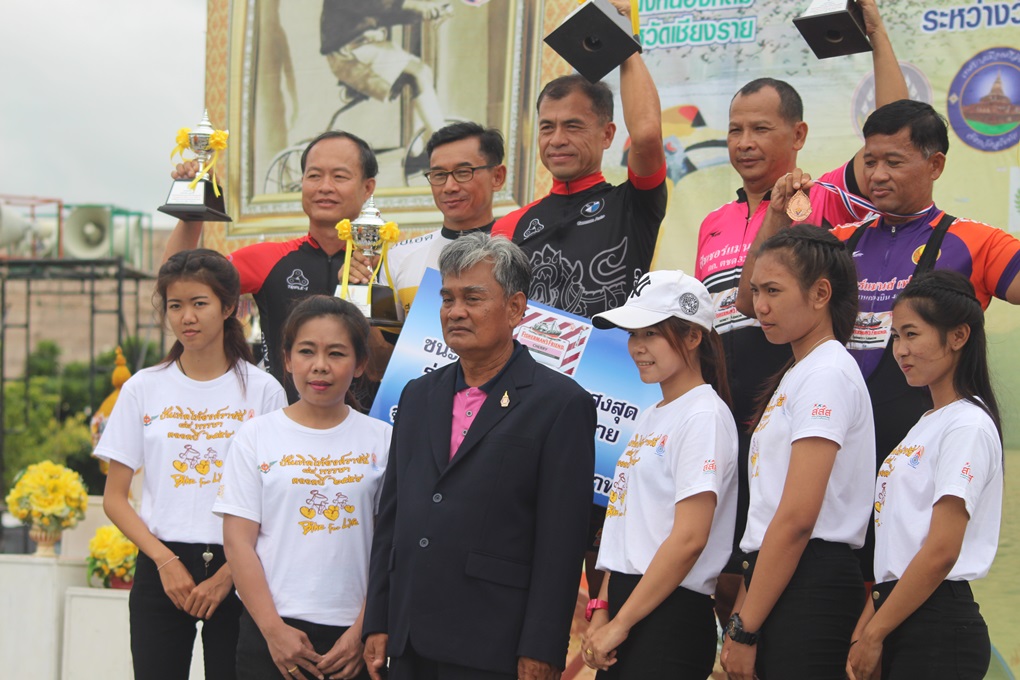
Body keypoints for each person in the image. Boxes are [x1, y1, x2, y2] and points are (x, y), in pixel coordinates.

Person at [735, 98, 1020, 579]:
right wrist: (778, 216)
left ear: (935, 165)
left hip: (915, 459)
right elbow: (750, 300)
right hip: (836, 455)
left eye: (894, 161)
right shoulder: (842, 239)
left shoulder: (976, 241)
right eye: (869, 161)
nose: (877, 175)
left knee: (897, 597)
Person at [697, 0, 907, 616]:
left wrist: (876, 34)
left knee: (785, 559)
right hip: (726, 411)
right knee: (723, 568)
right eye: (735, 129)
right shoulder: (712, 220)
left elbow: (893, 127)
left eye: (761, 129)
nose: (744, 142)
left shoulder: (824, 196)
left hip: (792, 408)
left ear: (798, 136)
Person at [362, 233, 596, 680]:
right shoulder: (418, 395)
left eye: (472, 298)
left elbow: (561, 542)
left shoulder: (560, 404)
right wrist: (379, 618)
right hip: (409, 637)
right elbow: (392, 516)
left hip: (494, 643)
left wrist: (543, 647)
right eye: (447, 298)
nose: (455, 311)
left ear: (515, 308)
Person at [95, 249, 287, 680]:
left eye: (199, 303)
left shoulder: (264, 391)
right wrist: (164, 563)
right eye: (175, 306)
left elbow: (275, 500)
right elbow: (114, 498)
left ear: (229, 307)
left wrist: (229, 576)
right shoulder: (143, 388)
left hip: (241, 569)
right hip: (161, 566)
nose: (187, 317)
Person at [721, 225, 875, 680]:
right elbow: (771, 520)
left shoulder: (826, 373)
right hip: (780, 578)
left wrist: (744, 629)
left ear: (821, 293)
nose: (760, 306)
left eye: (773, 290)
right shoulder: (802, 370)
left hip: (811, 583)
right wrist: (743, 619)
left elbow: (797, 518)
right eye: (755, 291)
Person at [216, 295, 392, 680]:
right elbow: (238, 542)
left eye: (336, 353)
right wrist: (273, 631)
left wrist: (363, 630)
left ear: (360, 364)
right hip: (271, 634)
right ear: (287, 358)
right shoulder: (255, 436)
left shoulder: (383, 439)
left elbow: (392, 544)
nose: (320, 366)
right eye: (307, 351)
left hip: (355, 639)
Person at [582, 270, 738, 679]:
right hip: (630, 608)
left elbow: (689, 539)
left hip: (669, 617)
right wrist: (603, 609)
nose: (637, 346)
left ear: (693, 336)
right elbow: (626, 529)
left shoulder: (704, 415)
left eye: (651, 333)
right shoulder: (653, 414)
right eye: (633, 334)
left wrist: (620, 622)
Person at [847, 270, 1002, 680]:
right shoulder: (927, 423)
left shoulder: (967, 424)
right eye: (895, 336)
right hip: (900, 614)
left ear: (958, 336)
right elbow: (897, 553)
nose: (900, 350)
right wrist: (865, 632)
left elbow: (941, 551)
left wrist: (875, 633)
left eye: (912, 334)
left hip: (938, 624)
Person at [166, 130, 378, 401]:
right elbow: (176, 281)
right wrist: (195, 207)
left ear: (367, 188)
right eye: (314, 176)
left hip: (373, 421)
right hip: (281, 419)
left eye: (339, 176)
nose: (325, 186)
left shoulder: (387, 263)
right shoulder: (268, 258)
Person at [491, 1, 667, 319]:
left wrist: (623, 42)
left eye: (573, 126)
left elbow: (646, 135)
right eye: (547, 127)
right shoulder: (508, 227)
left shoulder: (633, 204)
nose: (557, 139)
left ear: (607, 135)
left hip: (612, 352)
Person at [385, 122, 507, 316]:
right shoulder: (400, 257)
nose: (449, 187)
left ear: (497, 177)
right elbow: (385, 336)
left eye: (463, 172)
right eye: (439, 175)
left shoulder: (522, 252)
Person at [319, 0, 450, 174]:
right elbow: (375, 5)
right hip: (349, 54)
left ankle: (417, 152)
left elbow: (388, 13)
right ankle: (446, 146)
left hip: (366, 46)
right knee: (417, 73)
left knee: (422, 72)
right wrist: (416, 6)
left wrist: (424, 13)